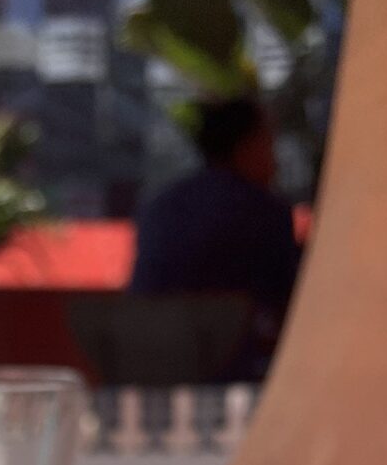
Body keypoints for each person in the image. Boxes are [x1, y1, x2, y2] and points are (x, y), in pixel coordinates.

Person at [129, 98, 302, 335]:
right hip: (231, 363)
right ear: (246, 146)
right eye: (269, 142)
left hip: (146, 350)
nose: (276, 161)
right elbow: (289, 304)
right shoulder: (263, 211)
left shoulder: (160, 206)